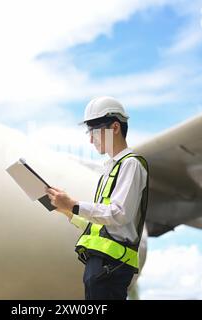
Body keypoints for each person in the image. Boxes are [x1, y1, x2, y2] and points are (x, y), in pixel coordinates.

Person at [46, 96, 149, 300]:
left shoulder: (131, 164)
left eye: (94, 131)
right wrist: (68, 211)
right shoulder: (109, 170)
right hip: (101, 266)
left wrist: (74, 204)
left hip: (111, 266)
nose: (91, 140)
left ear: (115, 127)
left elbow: (118, 215)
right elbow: (102, 225)